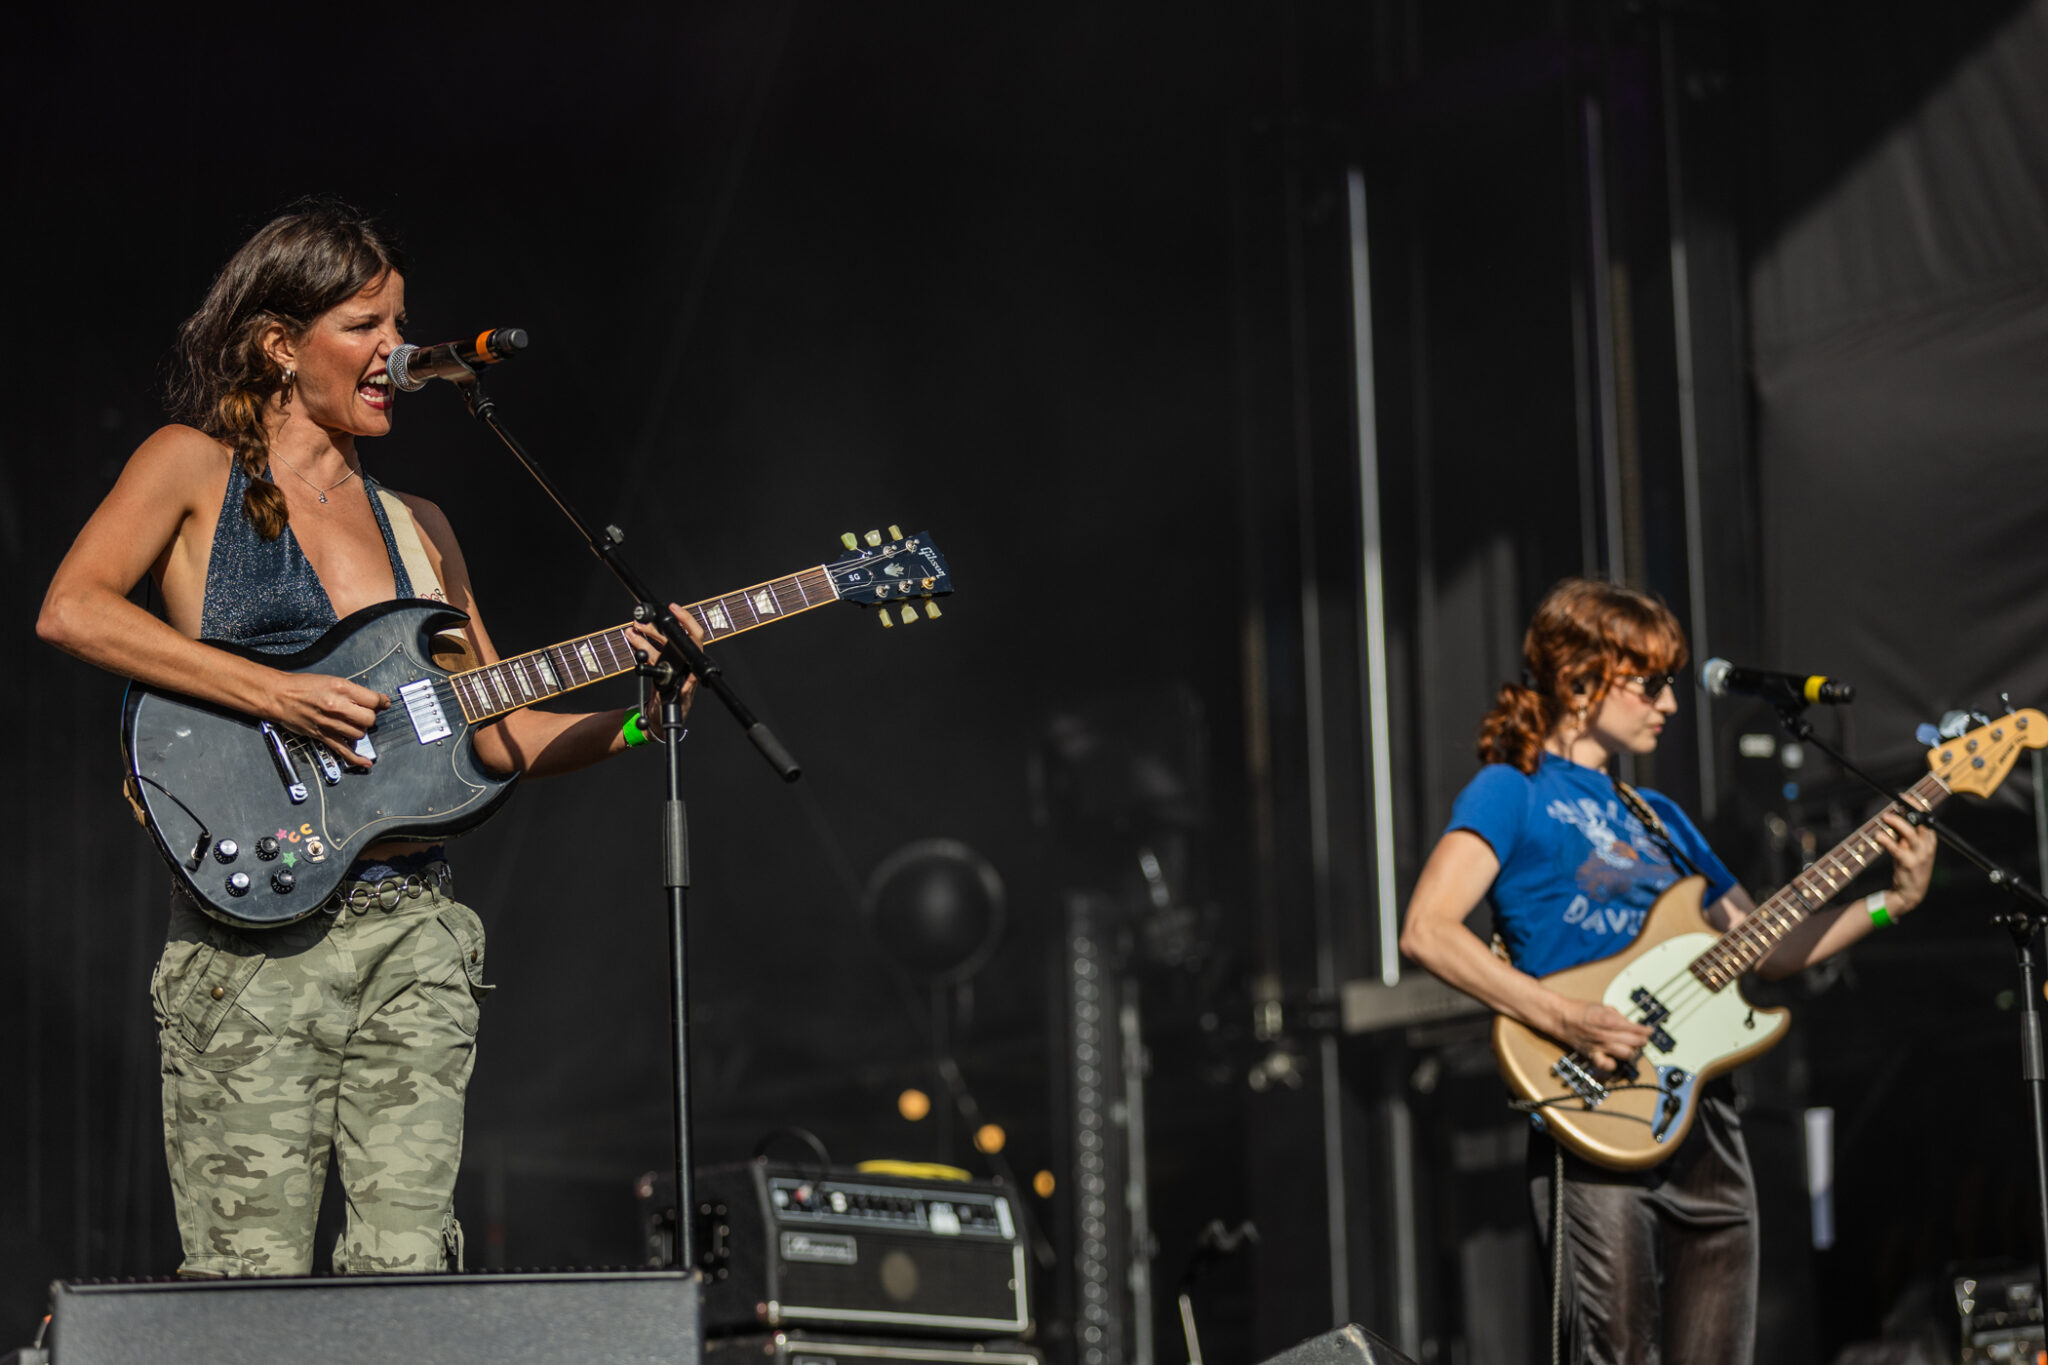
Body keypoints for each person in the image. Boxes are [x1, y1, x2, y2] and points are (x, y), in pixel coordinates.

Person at [37, 199, 697, 1278]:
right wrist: (276, 693)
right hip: (252, 941)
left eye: (399, 325)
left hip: (414, 933)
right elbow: (74, 610)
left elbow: (496, 732)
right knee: (248, 1286)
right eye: (365, 326)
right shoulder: (191, 465)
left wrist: (638, 717)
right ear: (279, 344)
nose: (395, 350)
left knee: (407, 1275)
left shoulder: (420, 526)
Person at [1397, 578, 1936, 1364]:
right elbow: (1427, 929)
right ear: (1581, 679)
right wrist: (1564, 1016)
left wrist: (1892, 901)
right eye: (1650, 684)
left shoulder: (1663, 817)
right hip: (1597, 1103)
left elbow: (1768, 947)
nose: (1670, 704)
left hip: (1706, 1119)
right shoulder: (1511, 789)